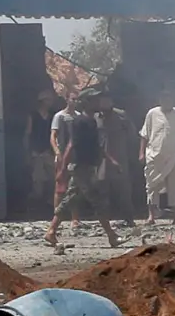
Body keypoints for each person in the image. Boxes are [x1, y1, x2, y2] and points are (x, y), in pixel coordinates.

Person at [45, 88, 121, 247]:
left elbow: (97, 146)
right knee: (97, 200)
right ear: (86, 103)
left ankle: (51, 231)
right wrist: (62, 169)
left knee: (69, 199)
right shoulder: (80, 122)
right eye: (94, 100)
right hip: (81, 167)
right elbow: (71, 145)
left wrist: (111, 160)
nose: (98, 103)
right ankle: (111, 235)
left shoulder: (92, 121)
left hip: (87, 166)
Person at [139, 89, 175, 225]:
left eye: (169, 99)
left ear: (173, 100)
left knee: (173, 186)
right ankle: (151, 216)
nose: (167, 102)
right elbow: (144, 135)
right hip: (154, 156)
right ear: (160, 101)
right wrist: (141, 153)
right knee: (152, 185)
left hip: (173, 157)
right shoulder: (152, 113)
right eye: (164, 99)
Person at [96, 89, 138, 227]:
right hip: (101, 159)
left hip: (120, 157)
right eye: (102, 100)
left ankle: (128, 218)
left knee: (123, 189)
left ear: (112, 101)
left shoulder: (121, 115)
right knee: (102, 190)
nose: (104, 102)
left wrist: (131, 154)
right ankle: (104, 220)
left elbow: (132, 135)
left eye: (107, 100)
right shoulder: (96, 117)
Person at [50, 96, 81, 227]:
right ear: (67, 99)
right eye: (73, 99)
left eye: (77, 99)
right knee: (60, 186)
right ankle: (57, 216)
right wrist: (57, 152)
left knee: (74, 188)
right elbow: (53, 136)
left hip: (75, 156)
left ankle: (75, 218)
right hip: (62, 155)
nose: (75, 101)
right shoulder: (59, 116)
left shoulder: (79, 116)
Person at [24, 89, 58, 210]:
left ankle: (49, 202)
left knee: (53, 178)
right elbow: (28, 134)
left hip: (48, 151)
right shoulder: (33, 115)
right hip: (36, 152)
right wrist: (27, 151)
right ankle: (36, 205)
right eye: (48, 100)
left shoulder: (52, 116)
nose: (50, 102)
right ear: (42, 101)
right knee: (38, 181)